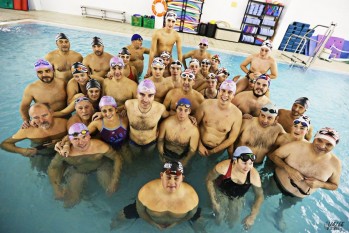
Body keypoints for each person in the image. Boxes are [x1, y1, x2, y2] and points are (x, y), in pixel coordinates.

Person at [267, 127, 341, 230]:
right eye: (319, 140)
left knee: (283, 208)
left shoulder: (335, 164)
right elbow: (274, 155)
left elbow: (334, 186)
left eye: (328, 144)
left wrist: (320, 184)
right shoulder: (297, 146)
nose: (322, 146)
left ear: (334, 146)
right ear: (315, 137)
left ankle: (279, 214)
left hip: (298, 196)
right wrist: (287, 168)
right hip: (277, 183)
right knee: (263, 196)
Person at [48, 123, 123, 208]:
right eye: (76, 139)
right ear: (70, 140)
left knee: (111, 191)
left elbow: (117, 158)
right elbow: (53, 167)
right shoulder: (64, 153)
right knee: (70, 201)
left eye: (84, 137)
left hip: (101, 166)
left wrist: (115, 180)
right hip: (79, 171)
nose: (81, 142)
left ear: (89, 136)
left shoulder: (100, 146)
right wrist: (56, 187)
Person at [111, 161, 199, 230]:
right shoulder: (146, 191)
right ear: (161, 176)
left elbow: (190, 215)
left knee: (201, 224)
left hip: (177, 220)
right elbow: (141, 212)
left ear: (182, 178)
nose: (172, 182)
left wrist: (176, 223)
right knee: (119, 218)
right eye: (168, 177)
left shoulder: (192, 197)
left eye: (176, 178)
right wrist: (153, 224)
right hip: (149, 215)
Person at [206, 146, 263, 229]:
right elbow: (209, 180)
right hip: (221, 192)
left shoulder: (254, 176)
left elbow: (260, 196)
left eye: (251, 163)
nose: (247, 167)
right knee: (219, 218)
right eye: (244, 163)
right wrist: (214, 201)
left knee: (233, 222)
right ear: (235, 161)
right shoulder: (223, 167)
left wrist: (252, 216)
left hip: (238, 197)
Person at [1, 103, 67, 172]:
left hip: (62, 151)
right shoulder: (28, 130)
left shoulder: (64, 124)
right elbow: (5, 144)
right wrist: (21, 150)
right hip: (41, 153)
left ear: (51, 113)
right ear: (31, 118)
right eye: (36, 118)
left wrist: (60, 141)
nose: (42, 120)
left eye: (44, 115)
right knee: (41, 171)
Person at [195, 80, 242, 156]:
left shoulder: (237, 114)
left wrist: (213, 151)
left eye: (229, 92)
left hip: (218, 151)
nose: (225, 95)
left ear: (233, 95)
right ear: (218, 91)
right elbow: (195, 124)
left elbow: (231, 139)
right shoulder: (206, 104)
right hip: (198, 143)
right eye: (223, 91)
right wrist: (199, 145)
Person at [20, 59, 67, 128]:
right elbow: (24, 107)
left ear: (53, 70)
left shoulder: (63, 83)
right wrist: (26, 120)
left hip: (65, 116)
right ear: (36, 73)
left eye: (47, 71)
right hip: (44, 121)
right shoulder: (31, 89)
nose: (44, 75)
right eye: (40, 72)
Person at [125, 79, 168, 149]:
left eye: (150, 95)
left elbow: (168, 115)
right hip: (132, 142)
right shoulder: (129, 105)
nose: (145, 100)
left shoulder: (160, 108)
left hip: (151, 143)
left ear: (154, 96)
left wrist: (189, 116)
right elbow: (116, 110)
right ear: (136, 94)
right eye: (142, 94)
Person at [158, 98, 200, 166]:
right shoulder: (166, 123)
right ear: (176, 109)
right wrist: (161, 154)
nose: (182, 113)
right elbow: (160, 140)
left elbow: (192, 150)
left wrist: (184, 161)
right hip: (166, 154)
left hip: (181, 156)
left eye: (185, 110)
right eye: (180, 109)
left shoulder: (193, 131)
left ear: (189, 111)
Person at [146, 11, 182, 77]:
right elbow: (152, 51)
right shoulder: (157, 33)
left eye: (173, 21)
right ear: (165, 20)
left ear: (175, 23)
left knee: (175, 74)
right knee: (151, 76)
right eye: (169, 20)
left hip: (169, 59)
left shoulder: (177, 36)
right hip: (158, 57)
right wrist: (149, 67)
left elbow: (179, 53)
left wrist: (180, 68)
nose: (170, 24)